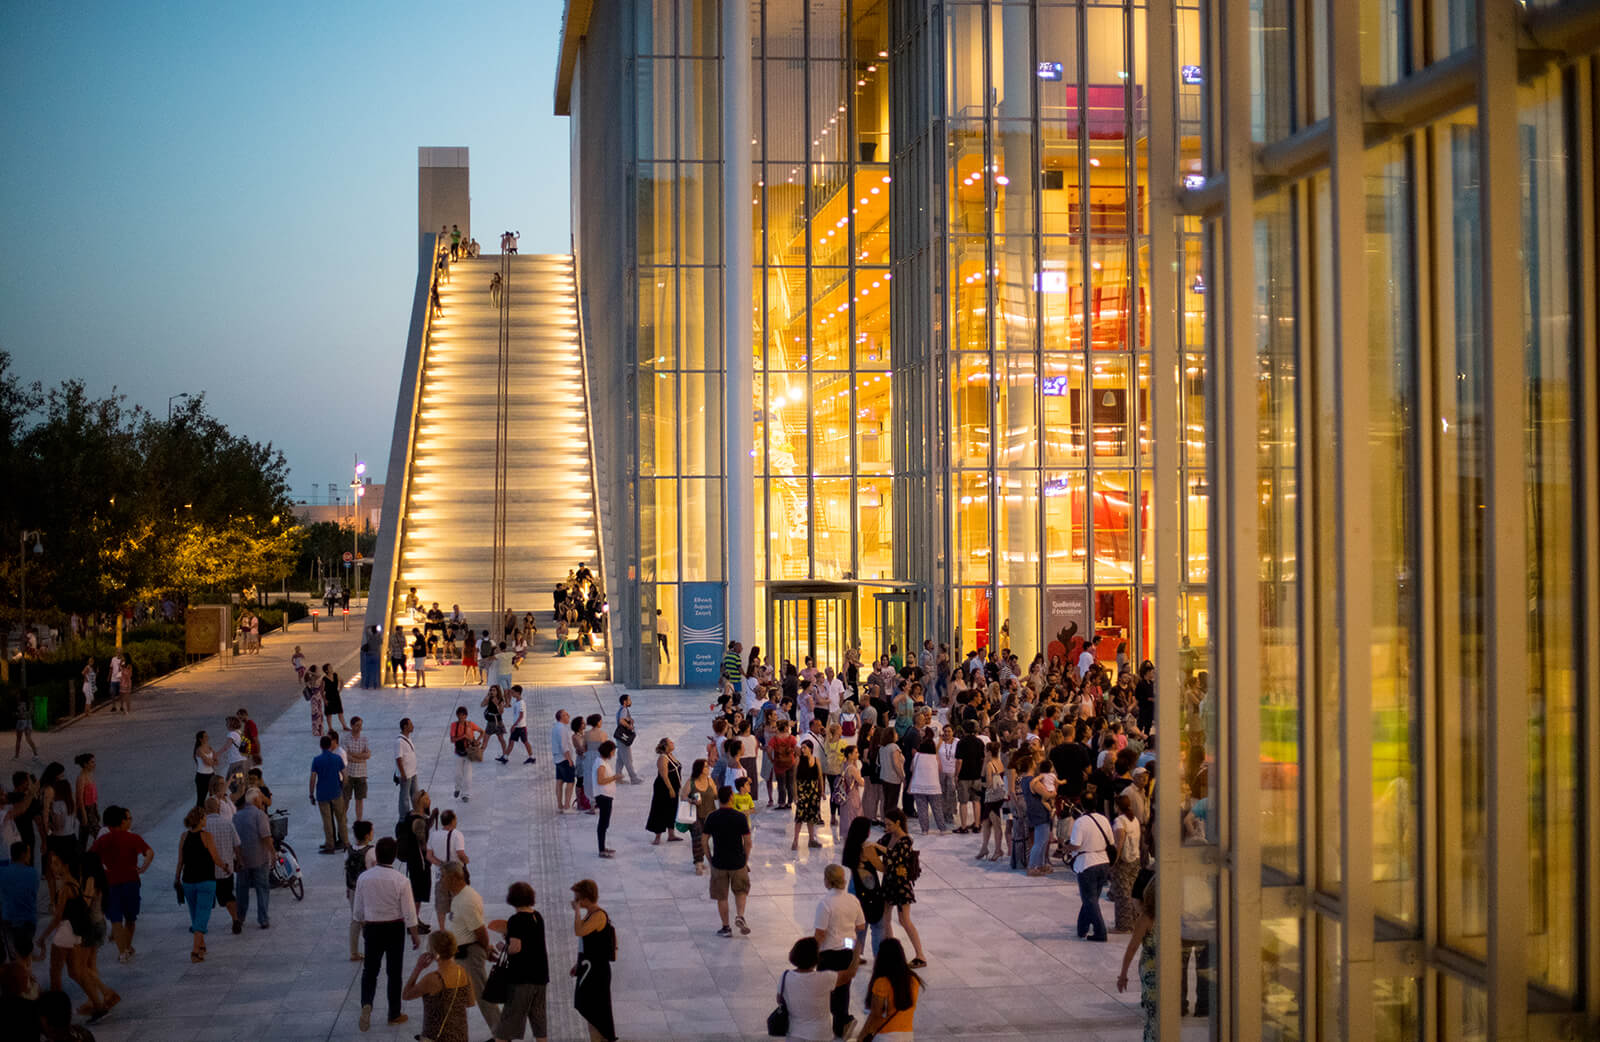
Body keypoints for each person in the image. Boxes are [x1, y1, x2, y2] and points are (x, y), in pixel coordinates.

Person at [353, 836, 421, 1031]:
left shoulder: (364, 878)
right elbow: (409, 912)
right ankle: (394, 1013)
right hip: (394, 929)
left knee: (370, 971)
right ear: (394, 856)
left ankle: (367, 1004)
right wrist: (415, 934)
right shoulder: (401, 880)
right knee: (394, 972)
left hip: (372, 927)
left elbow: (358, 912)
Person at [438, 861, 500, 1030]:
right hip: (462, 953)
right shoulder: (461, 896)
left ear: (453, 878)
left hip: (470, 954)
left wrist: (486, 950)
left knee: (482, 995)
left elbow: (480, 931)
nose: (441, 880)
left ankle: (501, 1033)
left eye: (443, 876)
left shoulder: (465, 901)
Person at [87, 807, 151, 963]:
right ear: (122, 821)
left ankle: (122, 952)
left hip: (110, 883)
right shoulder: (133, 838)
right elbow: (149, 852)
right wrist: (143, 867)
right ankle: (127, 947)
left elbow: (90, 857)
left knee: (115, 919)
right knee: (130, 918)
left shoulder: (103, 840)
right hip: (131, 881)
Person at [491, 881, 550, 1042]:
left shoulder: (515, 920)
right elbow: (531, 941)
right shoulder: (537, 916)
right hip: (540, 976)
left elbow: (516, 948)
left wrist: (504, 946)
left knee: (507, 1022)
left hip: (522, 978)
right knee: (538, 1019)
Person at [812, 864, 865, 1039]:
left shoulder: (826, 903)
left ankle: (840, 1020)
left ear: (827, 881)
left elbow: (820, 933)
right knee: (843, 988)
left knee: (827, 989)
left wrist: (813, 953)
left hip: (829, 953)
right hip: (847, 949)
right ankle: (841, 1024)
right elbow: (860, 926)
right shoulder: (853, 900)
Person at [778, 936, 856, 1042]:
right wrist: (855, 952)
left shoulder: (785, 976)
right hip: (820, 1035)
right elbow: (848, 975)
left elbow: (779, 1000)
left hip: (794, 1033)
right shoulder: (824, 978)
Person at [175, 806, 226, 962]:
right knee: (203, 915)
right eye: (204, 818)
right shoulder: (206, 837)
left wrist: (177, 878)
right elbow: (216, 858)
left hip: (188, 882)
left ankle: (202, 946)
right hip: (206, 881)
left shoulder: (184, 836)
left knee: (195, 914)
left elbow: (180, 861)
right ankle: (195, 951)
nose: (205, 820)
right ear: (200, 820)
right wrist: (226, 866)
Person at [402, 929, 471, 1042]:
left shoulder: (433, 978)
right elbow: (470, 1002)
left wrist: (418, 968)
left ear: (434, 951)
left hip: (437, 1037)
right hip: (460, 1035)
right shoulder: (462, 972)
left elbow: (406, 995)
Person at [569, 879, 616, 1042]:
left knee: (596, 1014)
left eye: (577, 898)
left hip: (597, 972)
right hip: (589, 968)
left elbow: (579, 931)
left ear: (585, 897)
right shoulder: (591, 914)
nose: (576, 901)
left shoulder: (598, 915)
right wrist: (578, 964)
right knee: (591, 1013)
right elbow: (586, 944)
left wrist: (576, 912)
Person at [879, 809, 927, 966]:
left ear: (898, 823)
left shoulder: (906, 841)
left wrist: (878, 848)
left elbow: (896, 857)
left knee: (904, 920)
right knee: (885, 918)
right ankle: (891, 953)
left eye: (889, 824)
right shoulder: (888, 837)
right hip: (888, 882)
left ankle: (920, 955)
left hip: (900, 885)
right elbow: (876, 848)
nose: (886, 827)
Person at [704, 785, 751, 937]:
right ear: (731, 798)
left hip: (719, 862)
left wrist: (710, 859)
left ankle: (726, 928)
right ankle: (740, 915)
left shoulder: (712, 817)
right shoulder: (740, 817)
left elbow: (704, 841)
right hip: (738, 862)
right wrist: (745, 858)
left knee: (722, 896)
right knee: (741, 891)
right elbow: (748, 841)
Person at [1066, 797, 1114, 942]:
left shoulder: (1080, 822)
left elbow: (1076, 844)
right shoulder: (1104, 820)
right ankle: (1082, 928)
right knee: (1091, 899)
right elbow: (1111, 841)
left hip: (1087, 863)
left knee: (1089, 900)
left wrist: (1065, 847)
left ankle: (1100, 931)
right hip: (1104, 861)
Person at [859, 937, 923, 1041]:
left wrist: (861, 1036)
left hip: (885, 1036)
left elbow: (875, 1015)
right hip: (907, 1035)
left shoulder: (881, 983)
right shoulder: (913, 980)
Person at [1117, 878, 1158, 1041]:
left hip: (1167, 968)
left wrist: (1123, 975)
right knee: (1154, 1014)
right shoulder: (1146, 919)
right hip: (1152, 971)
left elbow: (1132, 948)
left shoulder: (1165, 917)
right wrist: (1123, 975)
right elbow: (1132, 948)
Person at [202, 796, 242, 934]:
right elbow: (237, 845)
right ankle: (236, 919)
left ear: (206, 809)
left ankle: (200, 924)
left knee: (205, 899)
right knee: (229, 896)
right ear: (219, 808)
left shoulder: (203, 826)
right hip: (226, 868)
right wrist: (239, 861)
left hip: (207, 870)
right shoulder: (227, 823)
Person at [426, 808, 469, 933]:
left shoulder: (434, 835)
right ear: (453, 821)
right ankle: (459, 927)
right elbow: (460, 853)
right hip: (456, 873)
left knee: (441, 903)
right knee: (459, 899)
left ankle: (442, 929)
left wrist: (441, 864)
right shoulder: (457, 834)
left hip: (441, 874)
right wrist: (466, 860)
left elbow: (429, 856)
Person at [1109, 792, 1143, 931]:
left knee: (1122, 894)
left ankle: (1123, 926)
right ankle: (1134, 922)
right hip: (1135, 858)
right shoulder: (1134, 819)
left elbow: (1119, 843)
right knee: (1133, 892)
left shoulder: (1119, 821)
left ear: (1117, 806)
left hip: (1123, 861)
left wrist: (1113, 862)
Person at [0, 842, 37, 964]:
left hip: (8, 920)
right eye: (28, 852)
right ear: (23, 855)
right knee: (26, 955)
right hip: (28, 921)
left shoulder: (2, 872)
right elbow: (32, 894)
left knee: (14, 957)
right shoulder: (33, 873)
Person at [310, 735, 348, 853]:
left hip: (322, 793)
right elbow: (345, 775)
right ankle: (345, 842)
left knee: (327, 820)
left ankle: (330, 845)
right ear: (330, 745)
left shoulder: (317, 760)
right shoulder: (337, 758)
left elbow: (313, 778)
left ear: (321, 746)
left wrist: (311, 794)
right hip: (336, 792)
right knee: (341, 818)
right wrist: (342, 787)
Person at [644, 738, 682, 845]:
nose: (673, 743)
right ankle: (658, 836)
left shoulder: (671, 755)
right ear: (665, 746)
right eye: (671, 742)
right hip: (664, 787)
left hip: (674, 786)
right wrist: (670, 789)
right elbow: (664, 775)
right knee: (661, 809)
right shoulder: (663, 758)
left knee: (672, 808)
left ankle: (671, 834)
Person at [790, 740, 824, 852]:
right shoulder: (798, 760)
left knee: (811, 817)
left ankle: (811, 839)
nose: (802, 750)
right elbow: (794, 779)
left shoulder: (816, 760)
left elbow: (820, 777)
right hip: (802, 791)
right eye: (802, 748)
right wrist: (795, 795)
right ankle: (795, 840)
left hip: (813, 792)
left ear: (810, 749)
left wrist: (822, 791)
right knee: (799, 817)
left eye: (805, 748)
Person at [448, 707, 482, 803]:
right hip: (458, 753)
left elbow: (482, 732)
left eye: (463, 715)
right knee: (458, 774)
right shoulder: (454, 725)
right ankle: (457, 788)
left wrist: (477, 741)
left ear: (466, 716)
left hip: (468, 753)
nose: (461, 717)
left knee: (468, 775)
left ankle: (466, 794)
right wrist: (463, 736)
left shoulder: (470, 725)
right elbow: (452, 740)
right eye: (459, 715)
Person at [591, 741, 618, 858]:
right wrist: (614, 777)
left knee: (605, 823)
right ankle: (601, 849)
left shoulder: (602, 762)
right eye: (613, 751)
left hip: (607, 796)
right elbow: (600, 780)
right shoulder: (601, 764)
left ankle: (603, 847)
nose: (614, 753)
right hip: (603, 796)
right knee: (603, 823)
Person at [344, 716, 370, 822]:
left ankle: (358, 820)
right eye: (357, 725)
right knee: (346, 799)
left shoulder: (364, 738)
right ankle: (342, 819)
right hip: (348, 773)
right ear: (351, 726)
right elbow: (346, 756)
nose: (359, 728)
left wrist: (354, 755)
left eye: (360, 725)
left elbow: (368, 754)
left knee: (359, 799)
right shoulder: (345, 738)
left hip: (361, 774)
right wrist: (360, 757)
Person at [612, 694, 641, 783]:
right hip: (623, 738)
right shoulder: (624, 709)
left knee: (620, 759)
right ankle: (633, 778)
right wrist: (629, 726)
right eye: (629, 700)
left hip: (620, 738)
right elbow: (621, 720)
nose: (630, 701)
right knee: (628, 759)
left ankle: (618, 778)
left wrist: (629, 720)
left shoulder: (622, 709)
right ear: (625, 702)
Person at [551, 711, 576, 812]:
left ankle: (560, 805)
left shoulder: (556, 727)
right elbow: (564, 745)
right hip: (564, 758)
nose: (568, 716)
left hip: (558, 758)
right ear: (561, 717)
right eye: (566, 715)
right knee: (570, 782)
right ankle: (566, 806)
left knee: (559, 781)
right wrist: (569, 759)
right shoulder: (562, 729)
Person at [394, 719, 419, 822]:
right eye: (410, 724)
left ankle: (416, 814)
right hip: (406, 774)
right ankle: (403, 817)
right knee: (404, 797)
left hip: (413, 772)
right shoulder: (399, 742)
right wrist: (403, 773)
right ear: (405, 727)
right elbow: (398, 758)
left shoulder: (408, 738)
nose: (413, 726)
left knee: (415, 795)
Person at [506, 686, 535, 765]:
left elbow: (521, 716)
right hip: (517, 726)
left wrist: (514, 725)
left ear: (518, 693)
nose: (511, 694)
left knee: (525, 742)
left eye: (513, 692)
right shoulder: (516, 702)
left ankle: (531, 757)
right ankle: (505, 757)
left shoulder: (521, 703)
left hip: (520, 727)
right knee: (511, 741)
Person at [192, 732, 217, 809]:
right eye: (205, 736)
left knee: (213, 796)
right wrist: (212, 761)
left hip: (211, 775)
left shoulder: (210, 747)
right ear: (200, 739)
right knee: (201, 799)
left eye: (207, 736)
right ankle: (198, 817)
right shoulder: (199, 750)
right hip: (201, 777)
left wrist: (212, 761)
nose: (207, 737)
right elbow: (209, 763)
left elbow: (216, 761)